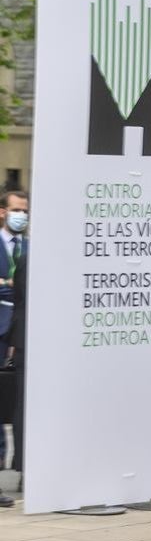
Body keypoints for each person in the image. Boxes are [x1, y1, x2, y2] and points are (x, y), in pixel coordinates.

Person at [0, 190, 28, 507]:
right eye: (16, 209)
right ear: (4, 211)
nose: (21, 215)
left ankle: (20, 467)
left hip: (19, 334)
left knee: (17, 402)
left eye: (25, 210)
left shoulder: (31, 247)